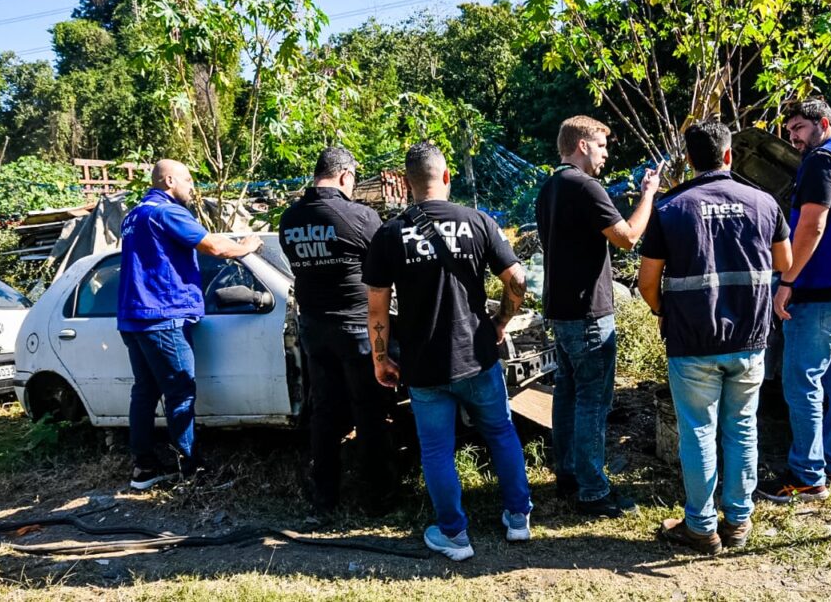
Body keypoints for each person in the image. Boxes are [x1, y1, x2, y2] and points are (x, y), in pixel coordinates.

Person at [363, 142, 531, 561]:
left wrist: (380, 358)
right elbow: (518, 280)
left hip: (424, 366)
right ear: (447, 176)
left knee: (437, 450)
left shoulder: (389, 234)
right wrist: (501, 321)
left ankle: (454, 536)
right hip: (477, 355)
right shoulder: (478, 221)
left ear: (406, 184)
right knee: (501, 432)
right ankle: (518, 518)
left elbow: (377, 308)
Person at [638, 120, 792, 554]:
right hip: (749, 338)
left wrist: (662, 311)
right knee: (742, 429)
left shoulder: (671, 208)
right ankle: (738, 522)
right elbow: (785, 261)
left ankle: (701, 527)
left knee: (698, 432)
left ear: (689, 159)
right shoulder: (763, 202)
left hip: (692, 341)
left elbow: (647, 281)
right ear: (728, 155)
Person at [535, 115, 661, 517]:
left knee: (567, 394)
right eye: (602, 146)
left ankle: (568, 475)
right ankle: (593, 490)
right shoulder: (585, 186)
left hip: (561, 309)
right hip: (588, 312)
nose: (606, 155)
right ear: (583, 145)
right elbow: (628, 237)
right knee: (593, 400)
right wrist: (648, 195)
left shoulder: (550, 187)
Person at [755, 98, 831, 503]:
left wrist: (788, 280)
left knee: (801, 380)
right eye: (790, 131)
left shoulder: (822, 161)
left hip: (823, 286)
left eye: (799, 128)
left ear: (823, 123)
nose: (793, 138)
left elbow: (812, 225)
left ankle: (807, 476)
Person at [118, 159, 262, 490]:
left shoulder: (134, 215)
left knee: (145, 392)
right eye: (187, 180)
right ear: (169, 181)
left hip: (134, 316)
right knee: (180, 394)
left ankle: (144, 469)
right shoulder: (167, 212)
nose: (192, 186)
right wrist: (246, 247)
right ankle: (193, 472)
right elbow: (213, 246)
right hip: (163, 316)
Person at [278, 147, 397, 516]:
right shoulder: (360, 216)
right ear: (345, 175)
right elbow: (384, 268)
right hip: (357, 329)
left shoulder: (289, 219)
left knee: (324, 413)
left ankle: (324, 498)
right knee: (369, 413)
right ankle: (377, 498)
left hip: (314, 329)